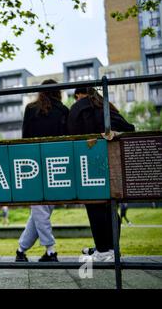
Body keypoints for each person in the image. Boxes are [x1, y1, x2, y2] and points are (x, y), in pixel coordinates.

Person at [68, 86, 135, 261]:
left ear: (78, 95)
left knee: (94, 206)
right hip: (112, 164)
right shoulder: (106, 107)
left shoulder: (77, 108)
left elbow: (69, 136)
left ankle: (103, 250)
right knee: (112, 206)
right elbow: (129, 128)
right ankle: (113, 249)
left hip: (87, 164)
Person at [16, 79, 69, 263]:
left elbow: (24, 139)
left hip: (34, 164)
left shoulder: (31, 109)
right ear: (58, 92)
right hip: (56, 165)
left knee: (39, 210)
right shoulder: (63, 111)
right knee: (41, 210)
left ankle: (40, 251)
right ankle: (42, 250)